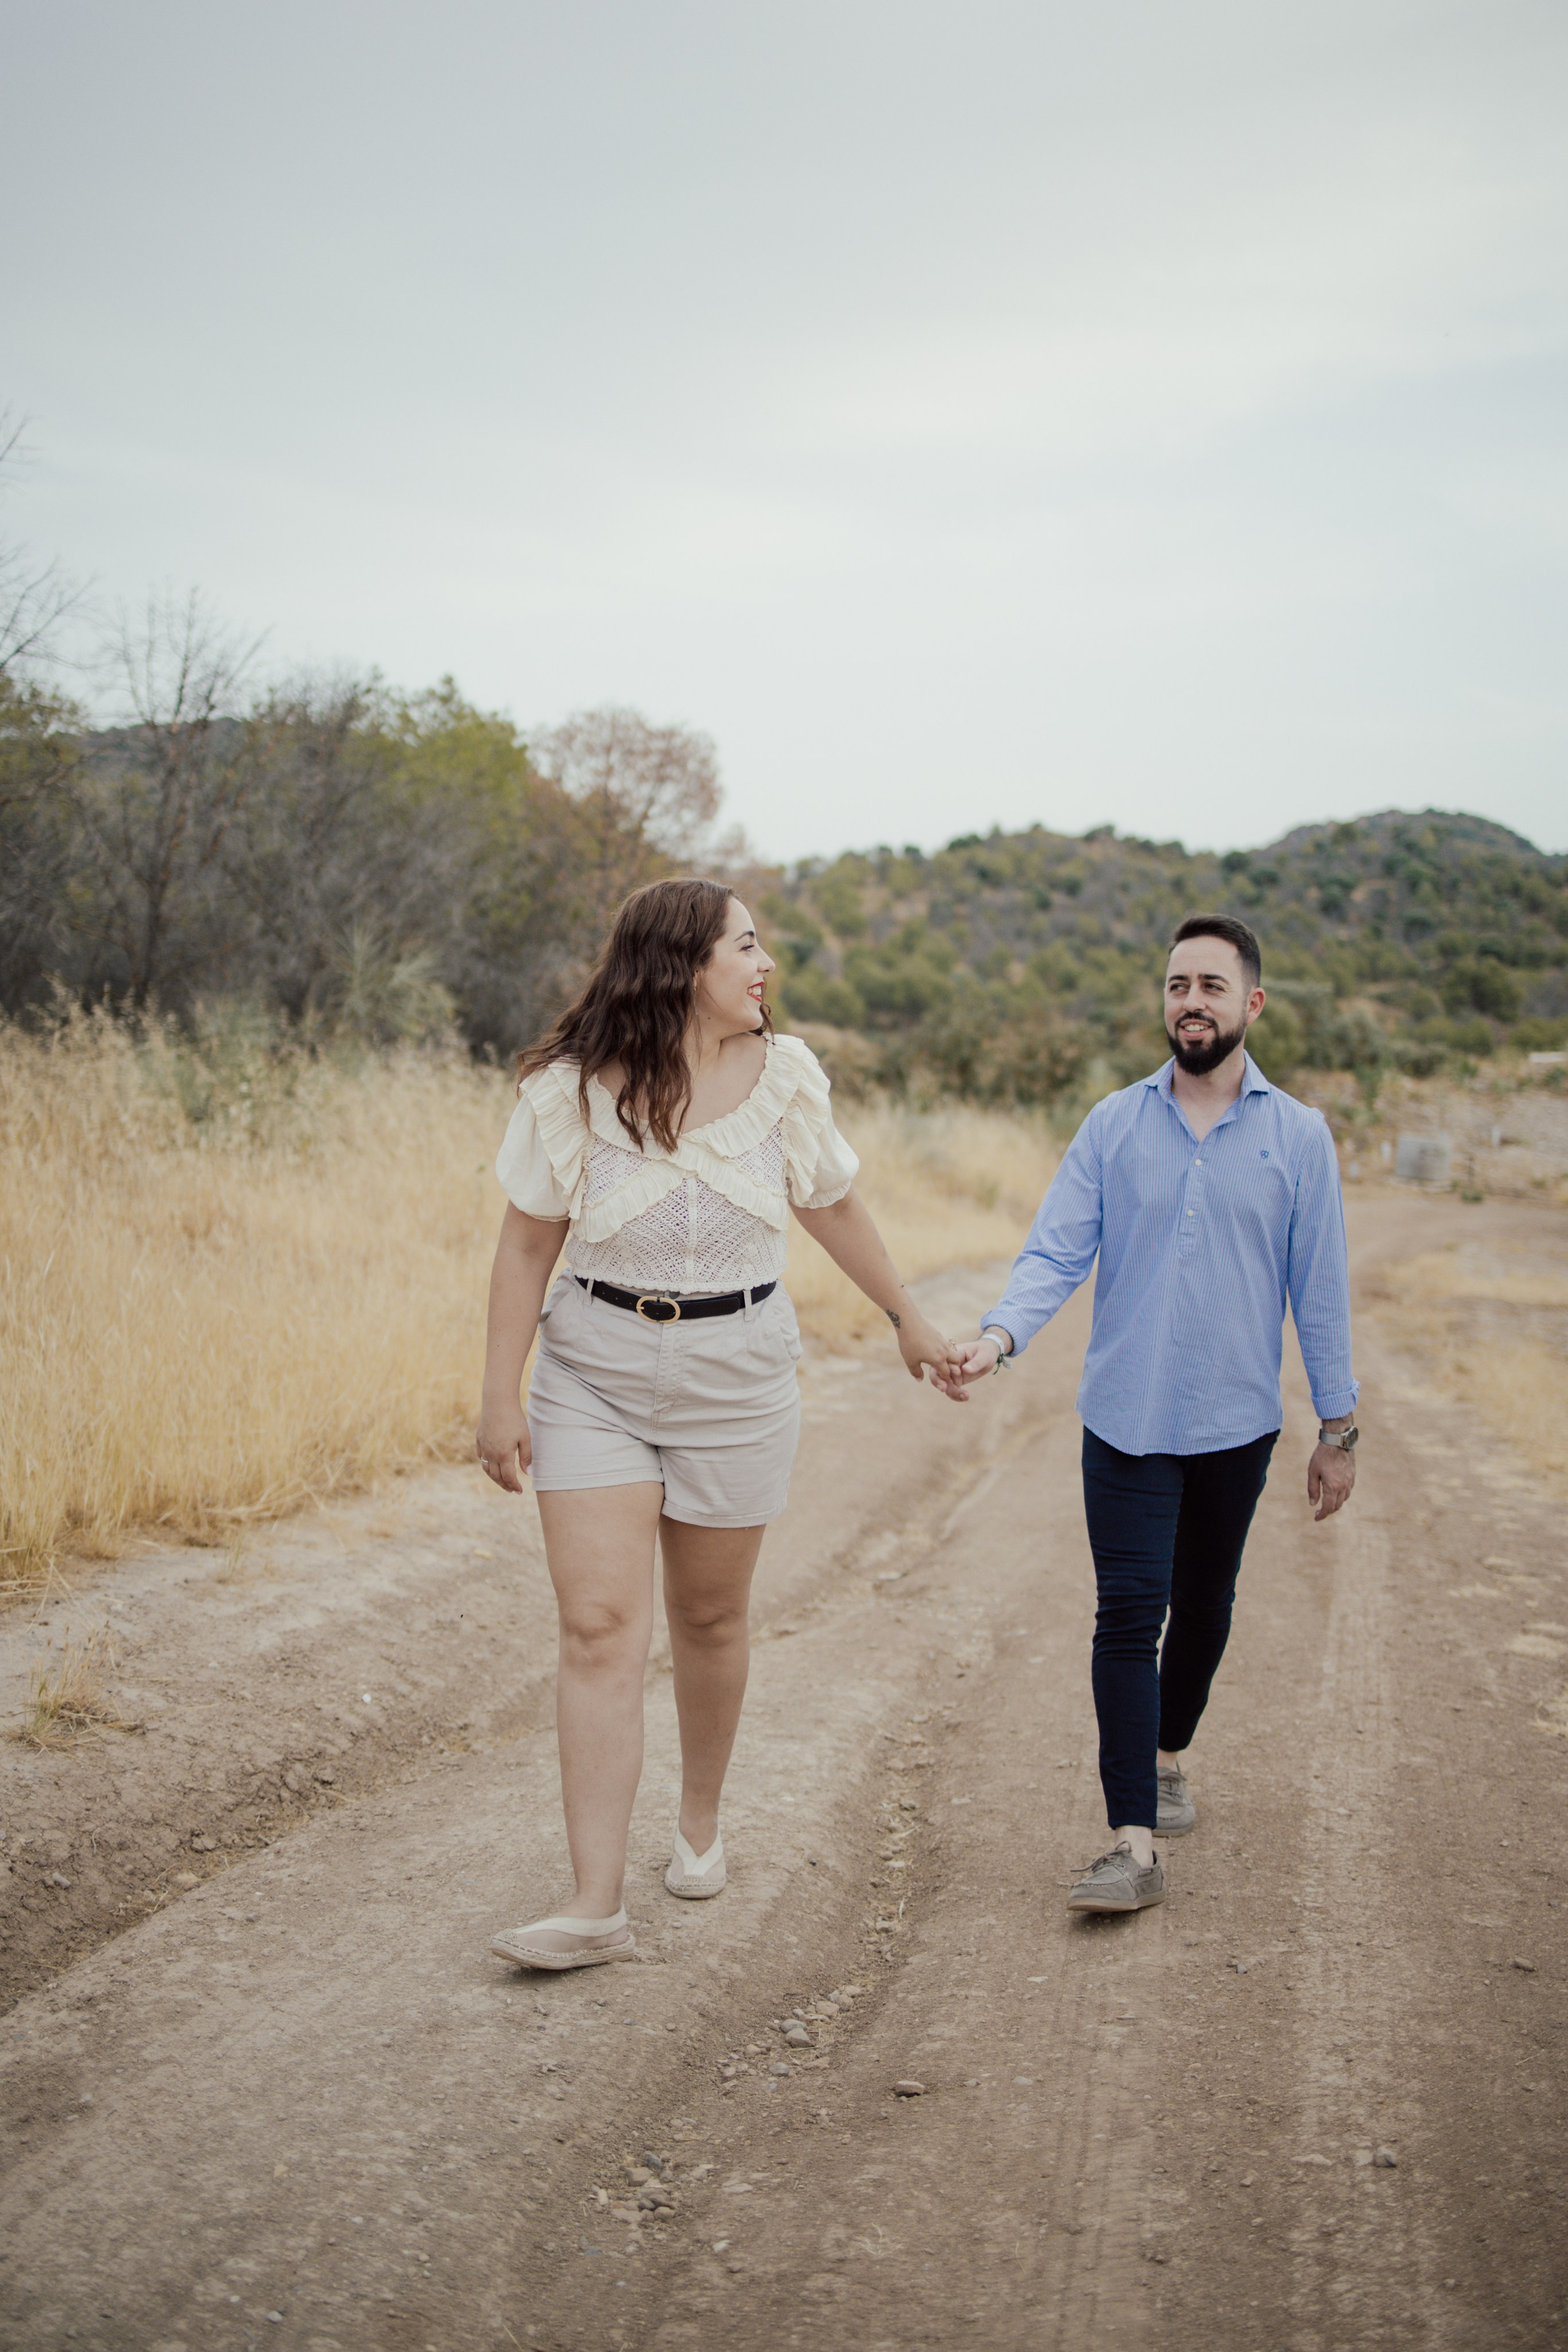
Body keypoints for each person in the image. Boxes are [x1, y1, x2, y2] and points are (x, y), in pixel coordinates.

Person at [476, 878, 965, 1970]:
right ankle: (595, 1903)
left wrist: (909, 1319)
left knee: (708, 1621)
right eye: (748, 946)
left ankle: (699, 1824)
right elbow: (523, 1245)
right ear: (684, 962)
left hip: (739, 1374)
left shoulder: (784, 1078)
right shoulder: (569, 1090)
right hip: (593, 1373)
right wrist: (501, 1390)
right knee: (600, 1628)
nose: (765, 965)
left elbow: (831, 1203)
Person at [954, 913, 1359, 1914]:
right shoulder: (1113, 1124)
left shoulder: (1299, 1136)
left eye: (1212, 987)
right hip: (1125, 1422)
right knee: (1129, 1618)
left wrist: (1338, 1428)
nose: (1192, 1002)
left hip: (1235, 1425)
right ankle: (1132, 1842)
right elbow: (1055, 1253)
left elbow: (1321, 1291)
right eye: (1179, 985)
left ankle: (1170, 1753)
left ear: (1250, 1005)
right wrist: (999, 1338)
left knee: (1205, 1610)